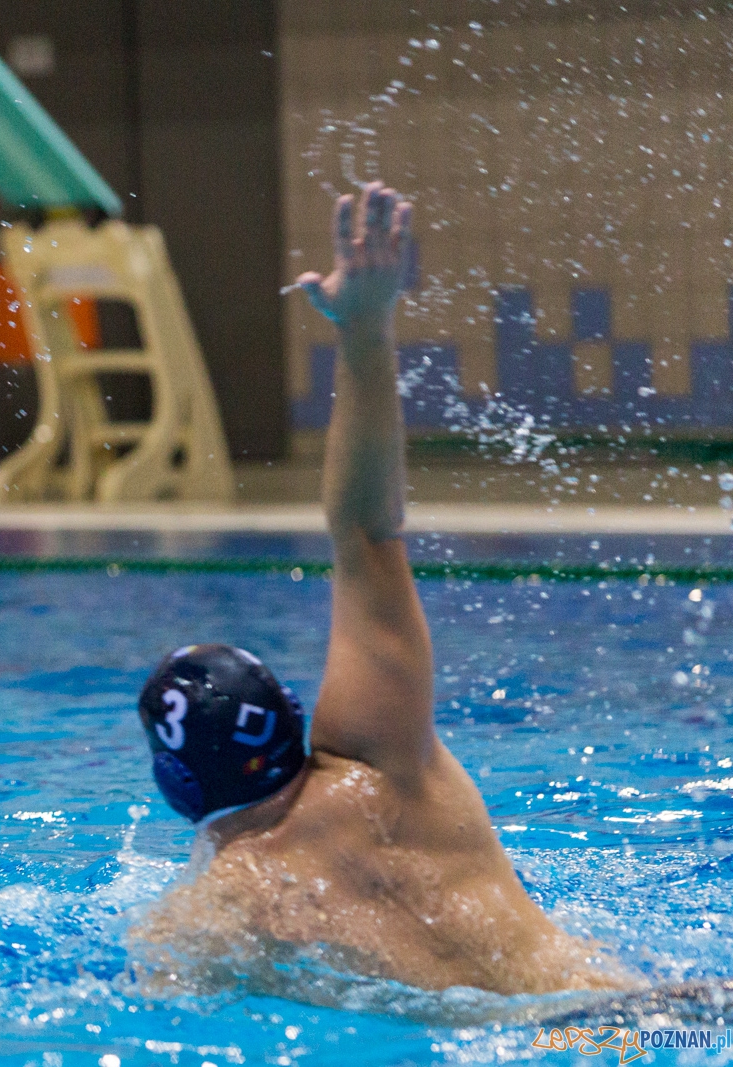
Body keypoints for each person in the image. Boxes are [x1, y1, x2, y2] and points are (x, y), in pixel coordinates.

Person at [127, 182, 630, 997]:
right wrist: (364, 330)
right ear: (288, 717)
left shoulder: (217, 911)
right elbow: (366, 528)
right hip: (641, 1019)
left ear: (174, 783)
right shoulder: (381, 759)